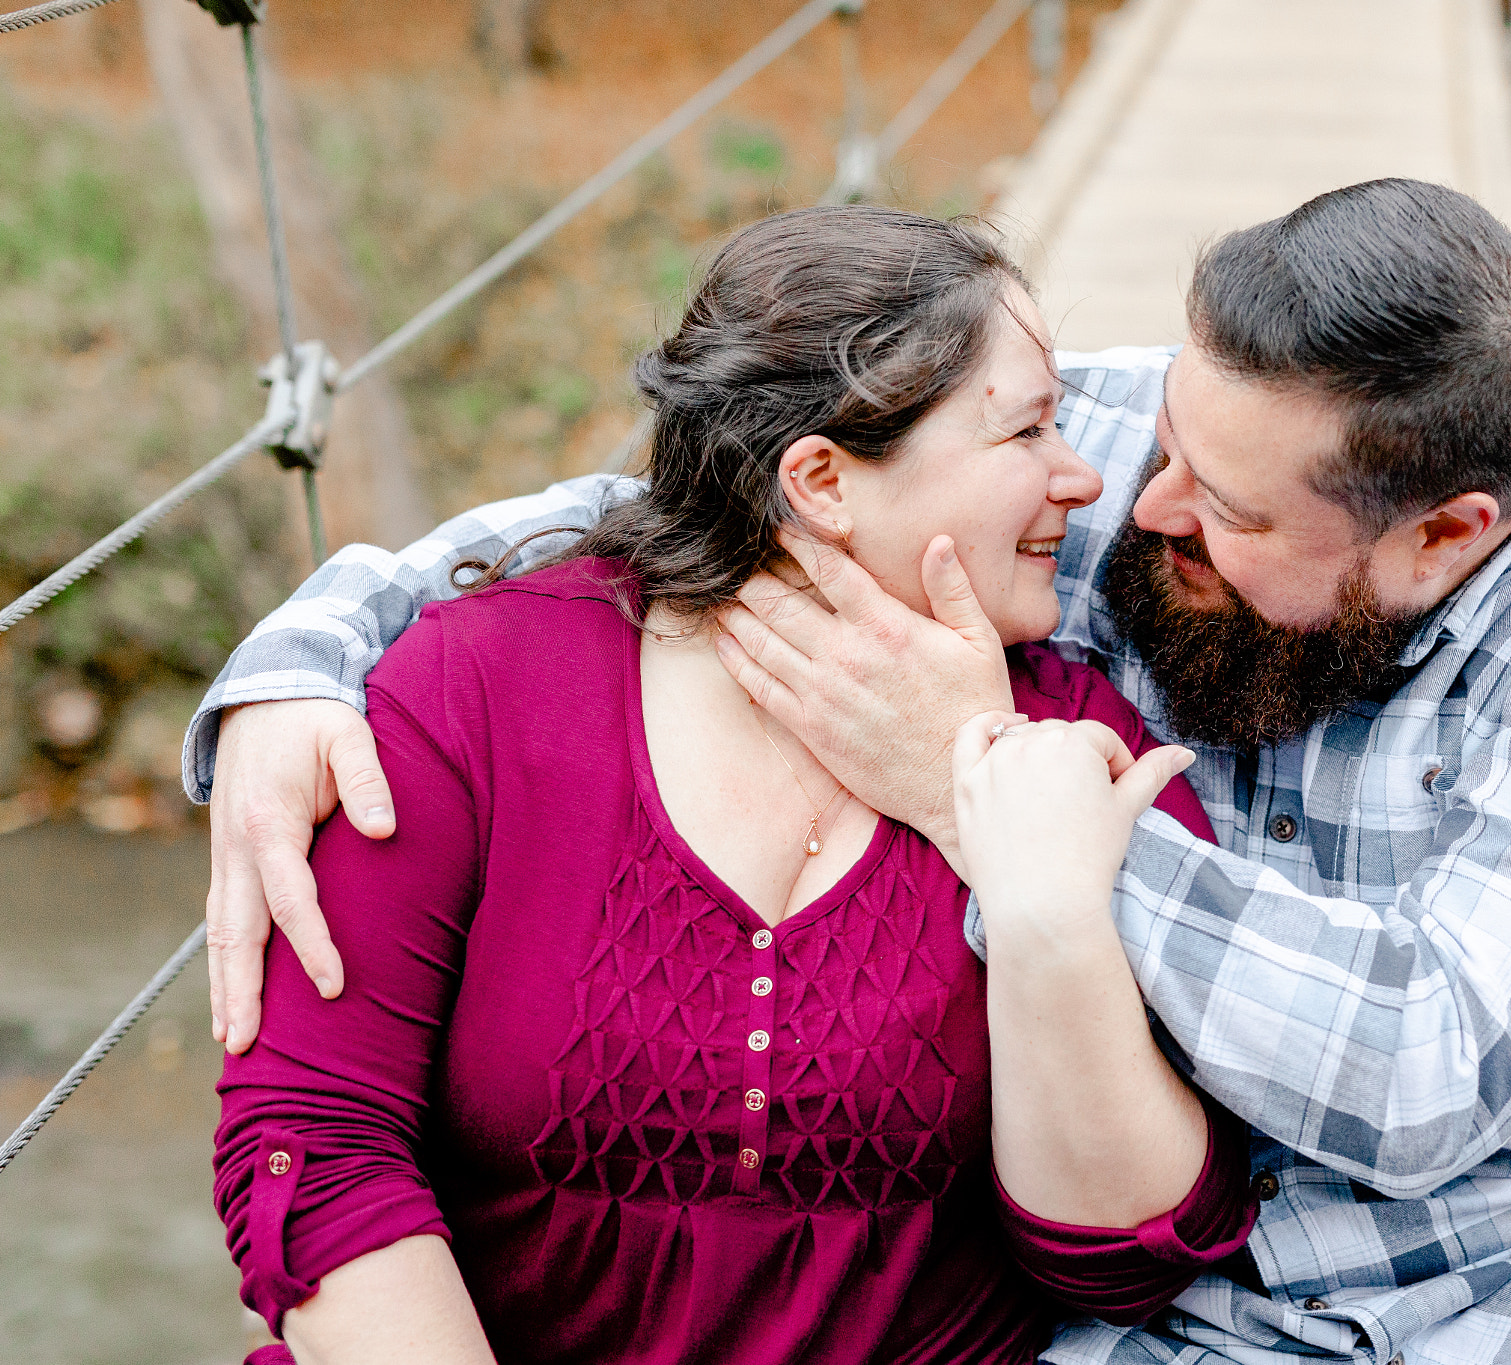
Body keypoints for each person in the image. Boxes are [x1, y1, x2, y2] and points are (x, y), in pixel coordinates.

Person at [191, 181, 1511, 1364]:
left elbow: (1421, 1075)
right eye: (1150, 431)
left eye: (1224, 512)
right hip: (1181, 1323)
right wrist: (314, 645)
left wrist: (980, 782)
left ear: (1441, 534)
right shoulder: (1140, 448)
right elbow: (721, 485)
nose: (1131, 503)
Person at [210, 206, 1258, 1365]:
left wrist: (1044, 909)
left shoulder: (1072, 740)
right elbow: (317, 1142)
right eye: (1026, 433)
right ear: (819, 480)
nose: (1084, 478)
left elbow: (1125, 1257)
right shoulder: (478, 690)